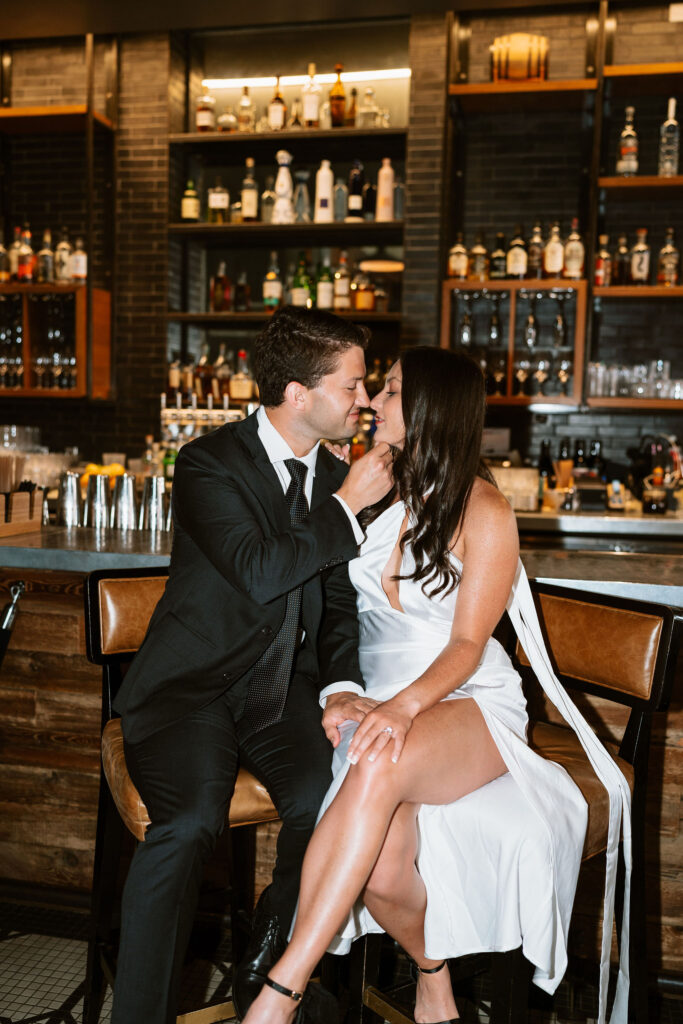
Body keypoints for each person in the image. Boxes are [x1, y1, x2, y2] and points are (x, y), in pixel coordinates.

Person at [243, 347, 631, 1024]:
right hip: (377, 699)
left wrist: (399, 707)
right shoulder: (368, 485)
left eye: (389, 390)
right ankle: (433, 980)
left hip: (464, 698)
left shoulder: (484, 509)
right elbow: (324, 604)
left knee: (375, 752)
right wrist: (342, 692)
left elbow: (466, 644)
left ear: (427, 408)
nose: (372, 403)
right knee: (386, 872)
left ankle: (281, 992)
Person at [110, 306, 395, 1024]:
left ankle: (266, 966)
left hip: (279, 696)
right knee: (191, 820)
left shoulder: (334, 470)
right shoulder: (208, 462)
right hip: (191, 691)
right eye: (355, 385)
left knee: (326, 797)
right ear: (299, 395)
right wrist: (346, 505)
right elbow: (258, 572)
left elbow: (333, 604)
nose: (365, 400)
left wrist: (337, 687)